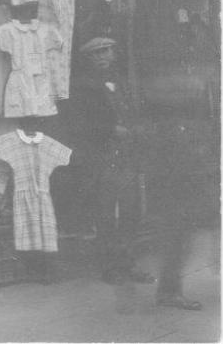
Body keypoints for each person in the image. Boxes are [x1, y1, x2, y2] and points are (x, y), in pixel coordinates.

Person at [67, 36, 155, 287]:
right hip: (102, 156)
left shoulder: (122, 81)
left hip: (127, 154)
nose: (103, 56)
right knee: (106, 213)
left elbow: (133, 110)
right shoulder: (82, 85)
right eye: (97, 53)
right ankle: (110, 268)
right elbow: (81, 124)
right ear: (89, 59)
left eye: (107, 51)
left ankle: (127, 264)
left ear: (114, 54)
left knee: (130, 211)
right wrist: (110, 130)